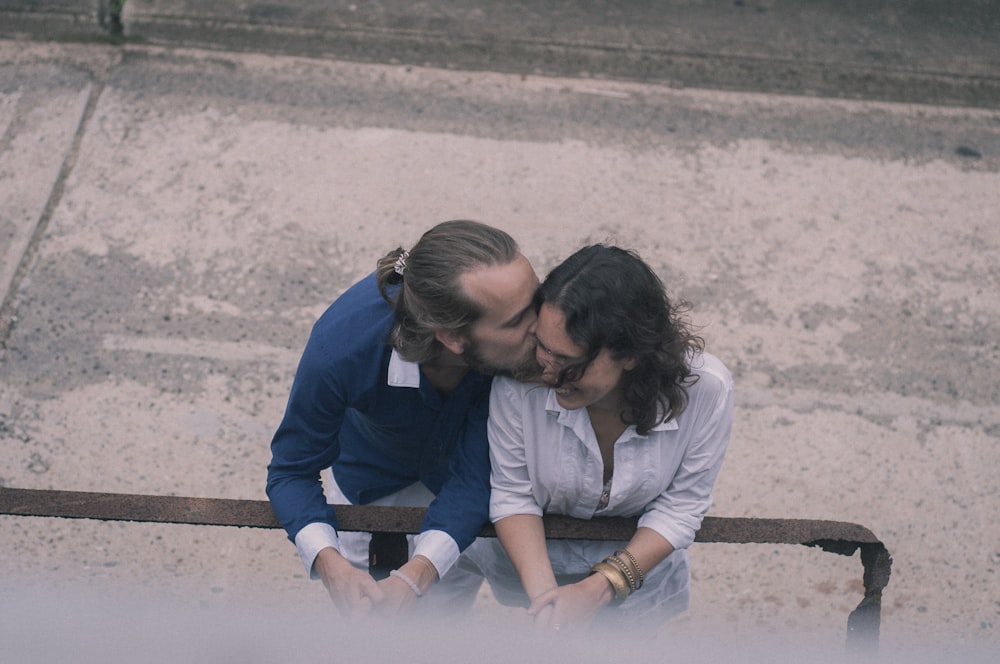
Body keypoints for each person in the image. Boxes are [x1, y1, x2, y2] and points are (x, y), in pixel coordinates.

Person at [266, 220, 539, 617]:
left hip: (472, 497)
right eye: (517, 321)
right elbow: (291, 470)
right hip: (371, 484)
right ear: (453, 338)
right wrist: (330, 564)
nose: (545, 326)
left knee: (442, 620)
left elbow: (477, 474)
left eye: (539, 299)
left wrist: (420, 572)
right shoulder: (338, 351)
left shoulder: (516, 348)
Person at [473, 244, 734, 633]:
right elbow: (514, 493)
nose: (547, 373)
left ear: (630, 354)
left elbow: (682, 506)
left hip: (640, 578)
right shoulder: (518, 385)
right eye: (543, 346)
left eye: (570, 363)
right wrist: (549, 605)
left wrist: (601, 588)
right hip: (529, 567)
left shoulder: (706, 390)